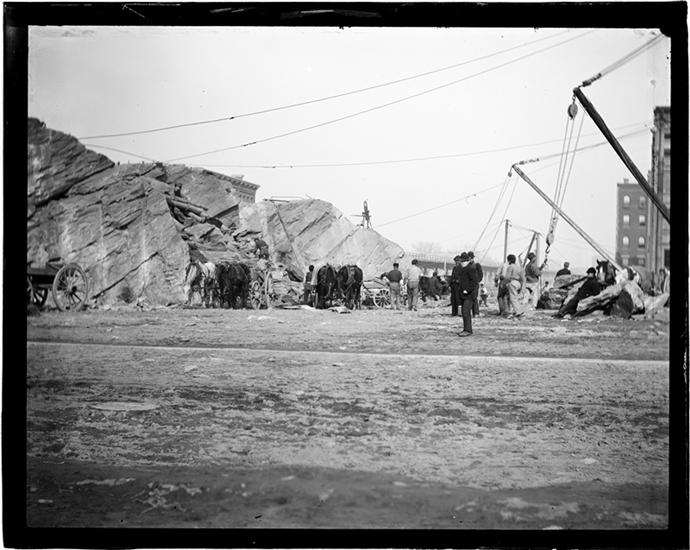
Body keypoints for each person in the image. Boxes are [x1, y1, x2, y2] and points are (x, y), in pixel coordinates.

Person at [457, 252, 479, 336]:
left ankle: (468, 330)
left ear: (466, 261)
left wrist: (467, 290)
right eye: (461, 261)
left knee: (466, 311)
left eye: (463, 261)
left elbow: (474, 282)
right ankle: (466, 329)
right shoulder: (462, 269)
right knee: (464, 312)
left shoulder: (471, 269)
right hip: (463, 294)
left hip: (469, 295)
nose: (462, 262)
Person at [502, 254, 525, 318]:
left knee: (513, 298)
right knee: (515, 297)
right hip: (518, 283)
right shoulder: (519, 267)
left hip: (513, 283)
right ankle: (516, 311)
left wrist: (503, 284)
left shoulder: (510, 267)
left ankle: (518, 312)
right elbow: (522, 277)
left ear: (509, 260)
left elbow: (507, 277)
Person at [467, 252, 483, 317]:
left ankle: (476, 312)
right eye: (468, 258)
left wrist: (477, 281)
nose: (469, 259)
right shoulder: (467, 266)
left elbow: (480, 275)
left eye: (470, 258)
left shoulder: (477, 265)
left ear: (472, 258)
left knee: (474, 298)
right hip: (468, 284)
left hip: (475, 284)